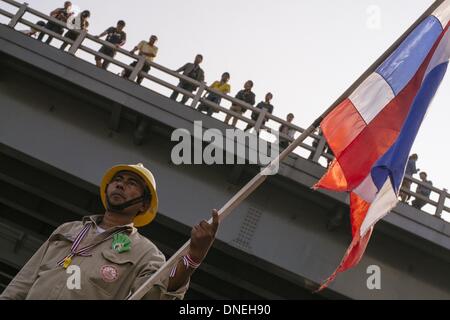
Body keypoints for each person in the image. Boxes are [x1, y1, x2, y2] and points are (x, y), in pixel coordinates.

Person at [0, 163, 219, 300]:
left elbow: (157, 293)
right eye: (117, 180)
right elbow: (24, 281)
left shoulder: (145, 253)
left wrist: (193, 258)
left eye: (131, 183)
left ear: (143, 205)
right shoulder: (67, 230)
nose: (120, 185)